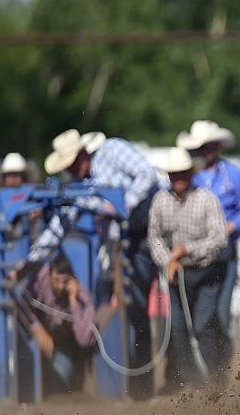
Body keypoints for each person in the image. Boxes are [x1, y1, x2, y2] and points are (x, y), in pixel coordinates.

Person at [38, 128, 162, 399]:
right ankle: (132, 385)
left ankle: (146, 384)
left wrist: (124, 205)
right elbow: (63, 221)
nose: (71, 171)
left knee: (138, 305)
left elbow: (147, 174)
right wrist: (37, 254)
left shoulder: (113, 151)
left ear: (82, 155)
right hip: (122, 243)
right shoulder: (82, 185)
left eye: (71, 165)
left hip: (147, 231)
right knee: (127, 307)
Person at [176, 120, 240, 363]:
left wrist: (231, 225)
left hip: (225, 252)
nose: (208, 150)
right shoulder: (189, 176)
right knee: (192, 315)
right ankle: (198, 368)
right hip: (193, 254)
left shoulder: (233, 174)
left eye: (211, 145)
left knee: (220, 314)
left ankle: (219, 367)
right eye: (203, 146)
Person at [148, 147, 228, 391]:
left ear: (191, 174)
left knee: (203, 325)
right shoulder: (161, 201)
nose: (179, 179)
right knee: (178, 328)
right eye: (174, 174)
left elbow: (219, 238)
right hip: (176, 275)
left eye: (183, 174)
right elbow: (154, 237)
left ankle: (211, 379)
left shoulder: (206, 199)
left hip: (204, 273)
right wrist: (168, 260)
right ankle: (188, 381)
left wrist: (187, 250)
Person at [16, 252, 96, 395]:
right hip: (38, 339)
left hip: (64, 346)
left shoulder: (83, 297)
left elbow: (84, 339)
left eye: (65, 281)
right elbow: (21, 303)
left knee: (59, 383)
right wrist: (37, 329)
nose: (59, 286)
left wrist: (73, 301)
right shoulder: (41, 281)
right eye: (55, 281)